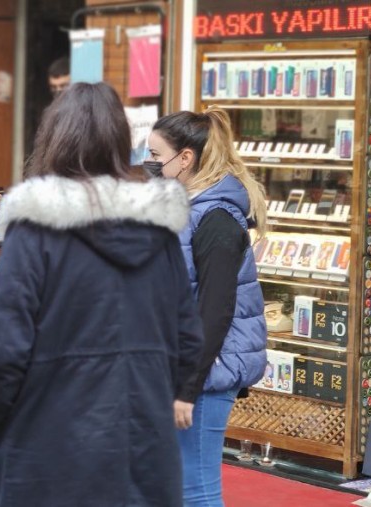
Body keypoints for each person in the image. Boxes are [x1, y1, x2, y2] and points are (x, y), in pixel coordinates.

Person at [0, 83, 204, 506]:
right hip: (143, 452)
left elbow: (4, 353)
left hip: (51, 452)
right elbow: (188, 339)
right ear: (120, 140)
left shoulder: (33, 230)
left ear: (52, 138)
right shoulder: (159, 230)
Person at [148, 108, 268, 506]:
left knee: (197, 489)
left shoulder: (217, 218)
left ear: (185, 159)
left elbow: (215, 311)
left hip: (206, 374)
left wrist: (187, 387)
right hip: (188, 367)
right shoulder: (189, 208)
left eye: (155, 154)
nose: (149, 164)